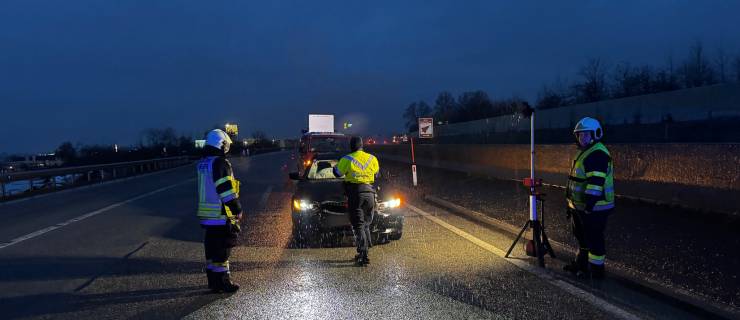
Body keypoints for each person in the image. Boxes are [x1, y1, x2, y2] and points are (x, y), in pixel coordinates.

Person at [563, 117, 615, 279]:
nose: (582, 138)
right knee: (581, 237)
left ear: (596, 134)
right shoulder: (584, 152)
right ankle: (582, 265)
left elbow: (595, 184)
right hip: (579, 206)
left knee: (594, 240)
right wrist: (570, 204)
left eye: (585, 135)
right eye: (579, 135)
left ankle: (597, 272)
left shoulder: (597, 154)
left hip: (594, 208)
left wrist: (589, 206)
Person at [197, 129, 243, 292]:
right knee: (222, 251)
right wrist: (236, 208)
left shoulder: (204, 162)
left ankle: (214, 282)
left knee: (212, 250)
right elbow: (225, 189)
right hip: (220, 214)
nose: (226, 148)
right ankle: (223, 282)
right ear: (221, 144)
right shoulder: (220, 163)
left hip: (207, 215)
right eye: (225, 144)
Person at [333, 136, 379, 266]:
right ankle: (366, 247)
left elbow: (337, 173)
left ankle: (363, 255)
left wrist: (336, 167)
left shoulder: (347, 159)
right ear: (362, 145)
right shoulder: (372, 158)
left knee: (358, 225)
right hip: (370, 194)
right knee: (365, 223)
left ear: (351, 146)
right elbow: (376, 173)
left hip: (356, 194)